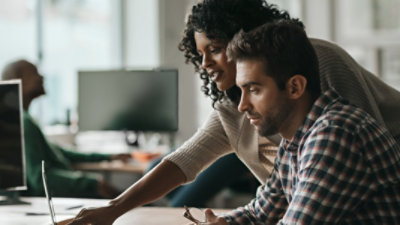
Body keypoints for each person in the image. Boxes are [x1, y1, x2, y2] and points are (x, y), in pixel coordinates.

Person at [67, 0, 400, 224]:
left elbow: (353, 141)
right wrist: (113, 210)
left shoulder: (324, 92)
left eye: (214, 48)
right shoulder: (287, 136)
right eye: (200, 54)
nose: (206, 64)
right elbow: (187, 160)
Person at [209, 20, 400, 224]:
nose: (242, 105)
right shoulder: (294, 140)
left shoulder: (335, 133)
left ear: (295, 87)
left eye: (254, 90)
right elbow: (259, 214)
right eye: (242, 91)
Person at [1, 59, 131, 198]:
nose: (41, 77)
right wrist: (92, 183)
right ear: (17, 79)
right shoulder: (24, 122)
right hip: (48, 200)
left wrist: (108, 157)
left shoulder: (25, 119)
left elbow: (60, 153)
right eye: (34, 73)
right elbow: (39, 180)